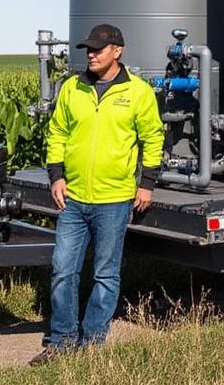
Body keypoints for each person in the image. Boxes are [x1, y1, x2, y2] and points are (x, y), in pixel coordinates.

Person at [31, 23, 164, 364]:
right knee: (63, 269)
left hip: (114, 199)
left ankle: (92, 342)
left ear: (117, 51)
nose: (90, 54)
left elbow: (152, 138)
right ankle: (61, 341)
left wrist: (146, 184)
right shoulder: (74, 88)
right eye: (88, 49)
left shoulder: (137, 92)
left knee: (105, 274)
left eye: (97, 49)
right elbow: (58, 131)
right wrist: (56, 176)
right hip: (73, 197)